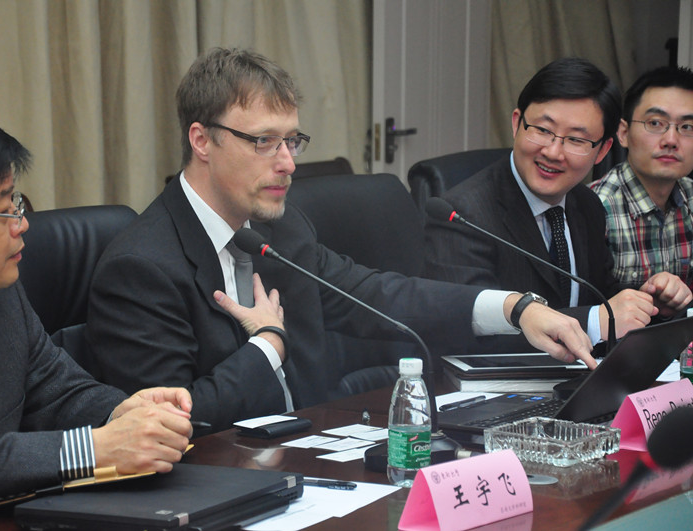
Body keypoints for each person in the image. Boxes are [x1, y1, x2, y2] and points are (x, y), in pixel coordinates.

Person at [86, 47, 595, 433]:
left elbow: (375, 294)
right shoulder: (141, 267)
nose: (288, 163)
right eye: (264, 141)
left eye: (292, 141)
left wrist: (513, 307)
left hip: (315, 456)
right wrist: (267, 346)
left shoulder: (281, 227)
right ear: (202, 140)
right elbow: (168, 428)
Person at [0, 109, 193, 522]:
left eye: (17, 203)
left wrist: (123, 414)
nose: (22, 224)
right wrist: (92, 450)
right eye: (5, 209)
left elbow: (57, 392)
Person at [422, 57, 692, 353]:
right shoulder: (462, 214)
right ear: (517, 123)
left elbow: (600, 298)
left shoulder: (587, 204)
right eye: (542, 130)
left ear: (603, 150)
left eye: (576, 139)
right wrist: (592, 321)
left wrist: (650, 305)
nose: (553, 152)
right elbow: (469, 333)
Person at [590, 66, 693, 297]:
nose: (671, 140)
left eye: (687, 127)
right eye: (655, 123)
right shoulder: (594, 209)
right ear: (623, 133)